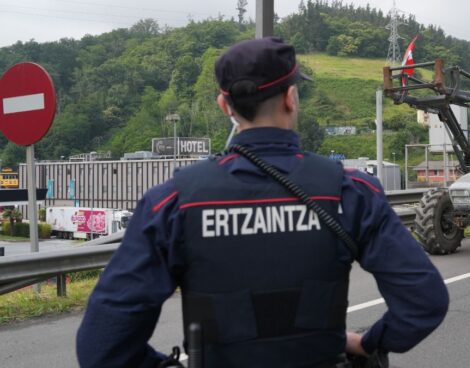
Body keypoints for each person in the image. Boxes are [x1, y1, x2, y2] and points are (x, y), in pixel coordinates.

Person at [76, 37, 449, 367]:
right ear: (290, 97)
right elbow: (425, 301)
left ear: (225, 106)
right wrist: (369, 343)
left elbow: (102, 347)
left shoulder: (172, 202)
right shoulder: (350, 191)